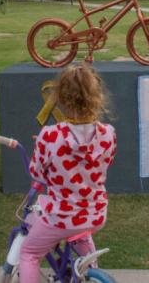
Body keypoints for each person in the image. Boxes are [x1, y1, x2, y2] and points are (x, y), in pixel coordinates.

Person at [19, 63, 117, 283]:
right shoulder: (108, 133)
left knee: (29, 254)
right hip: (95, 213)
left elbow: (37, 173)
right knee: (82, 232)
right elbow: (103, 163)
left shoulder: (50, 135)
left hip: (61, 217)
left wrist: (43, 148)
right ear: (96, 97)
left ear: (61, 97)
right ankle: (90, 271)